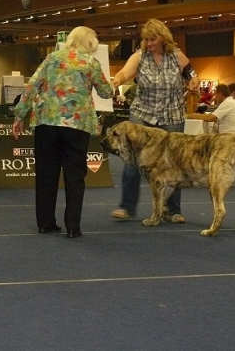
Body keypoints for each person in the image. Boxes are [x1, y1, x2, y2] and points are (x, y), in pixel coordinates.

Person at [12, 26, 113, 238]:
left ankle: (45, 223)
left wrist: (20, 115)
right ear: (90, 43)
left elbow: (32, 86)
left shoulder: (52, 57)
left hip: (46, 122)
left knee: (46, 174)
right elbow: (106, 92)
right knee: (75, 177)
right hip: (77, 125)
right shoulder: (91, 63)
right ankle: (73, 226)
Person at [110, 18, 200, 223]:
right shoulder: (140, 56)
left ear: (163, 37)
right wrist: (117, 80)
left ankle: (172, 209)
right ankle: (126, 207)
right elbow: (125, 72)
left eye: (153, 39)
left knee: (174, 162)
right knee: (132, 160)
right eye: (146, 39)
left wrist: (194, 81)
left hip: (172, 114)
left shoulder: (176, 56)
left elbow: (192, 74)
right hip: (143, 115)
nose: (149, 43)